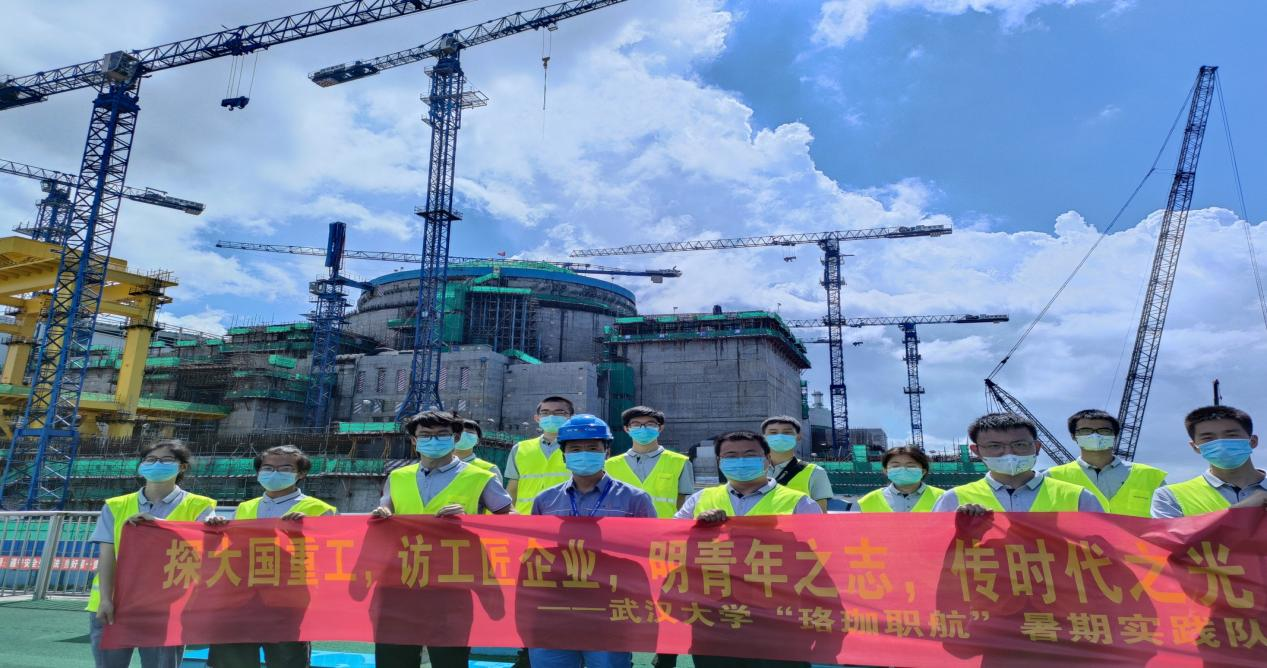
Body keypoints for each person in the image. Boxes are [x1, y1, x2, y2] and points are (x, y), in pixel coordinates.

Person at [370, 410, 514, 668]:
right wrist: (381, 515)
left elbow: (512, 520)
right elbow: (386, 510)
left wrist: (470, 521)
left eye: (441, 435)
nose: (433, 440)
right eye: (425, 435)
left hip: (452, 585)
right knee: (394, 658)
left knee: (449, 660)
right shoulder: (397, 477)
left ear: (455, 438)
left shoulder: (480, 478)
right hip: (401, 582)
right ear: (414, 441)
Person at [528, 414, 655, 668]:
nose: (584, 454)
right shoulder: (545, 500)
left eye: (593, 448)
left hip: (609, 608)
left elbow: (650, 550)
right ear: (564, 455)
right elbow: (534, 552)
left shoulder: (635, 499)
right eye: (575, 449)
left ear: (606, 452)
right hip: (554, 607)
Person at [87, 439, 217, 668]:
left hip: (167, 606)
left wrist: (159, 524)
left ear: (182, 467)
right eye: (151, 459)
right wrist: (106, 599)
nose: (157, 464)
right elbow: (107, 556)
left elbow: (204, 548)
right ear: (141, 465)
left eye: (166, 460)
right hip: (116, 603)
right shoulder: (115, 505)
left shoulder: (201, 506)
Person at [204, 444, 336, 668]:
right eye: (268, 468)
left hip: (288, 600)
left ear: (301, 474)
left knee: (287, 659)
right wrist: (217, 530)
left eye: (285, 468)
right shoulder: (245, 507)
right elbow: (233, 549)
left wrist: (307, 531)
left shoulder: (319, 509)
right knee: (233, 658)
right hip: (240, 597)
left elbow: (331, 555)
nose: (274, 473)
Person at [933, 413, 1103, 514]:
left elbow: (1103, 550)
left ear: (1037, 447)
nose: (1009, 453)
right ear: (976, 451)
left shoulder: (1078, 497)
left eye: (1019, 445)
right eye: (994, 446)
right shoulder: (953, 500)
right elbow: (933, 553)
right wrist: (957, 528)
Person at [1044, 409, 1167, 517]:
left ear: (1115, 435)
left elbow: (1167, 521)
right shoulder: (1051, 477)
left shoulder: (1151, 477)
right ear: (1073, 436)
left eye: (1104, 431)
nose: (1095, 436)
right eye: (1086, 431)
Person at [1151, 405, 1267, 518]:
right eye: (1208, 438)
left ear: (1253, 441)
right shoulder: (1169, 496)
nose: (1221, 444)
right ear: (1195, 447)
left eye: (1231, 435)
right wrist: (1244, 508)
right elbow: (1170, 532)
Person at [676, 431, 821, 521]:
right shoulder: (699, 499)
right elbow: (674, 538)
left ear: (767, 459)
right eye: (731, 456)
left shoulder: (800, 503)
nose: (741, 461)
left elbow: (821, 545)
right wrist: (696, 526)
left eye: (750, 455)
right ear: (719, 462)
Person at [604, 406, 694, 518]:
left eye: (650, 424)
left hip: (663, 527)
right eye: (636, 424)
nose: (643, 428)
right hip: (622, 527)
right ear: (626, 429)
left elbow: (682, 504)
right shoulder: (609, 465)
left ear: (660, 428)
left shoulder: (680, 462)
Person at [505, 395, 574, 514]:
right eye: (545, 412)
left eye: (559, 412)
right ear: (537, 418)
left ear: (571, 418)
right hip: (526, 517)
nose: (551, 416)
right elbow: (512, 488)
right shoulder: (520, 448)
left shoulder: (579, 449)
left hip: (565, 518)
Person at [761, 416, 833, 511]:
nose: (780, 437)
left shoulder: (815, 472)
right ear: (764, 437)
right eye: (773, 432)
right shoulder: (751, 470)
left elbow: (820, 513)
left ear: (798, 436)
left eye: (787, 432)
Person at [856, 446, 945, 512]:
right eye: (895, 466)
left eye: (910, 466)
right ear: (885, 471)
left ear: (923, 471)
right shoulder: (868, 501)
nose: (903, 469)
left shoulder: (943, 498)